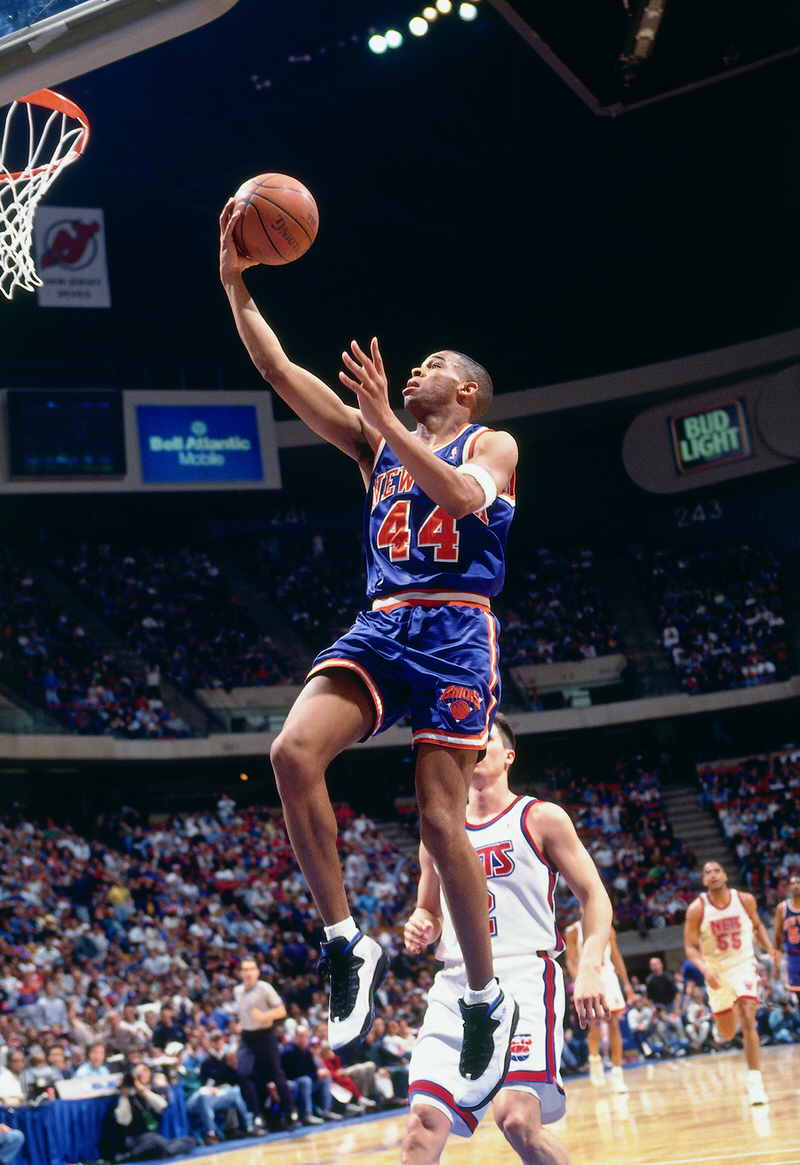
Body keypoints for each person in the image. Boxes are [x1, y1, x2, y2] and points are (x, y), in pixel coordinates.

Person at [220, 200, 519, 1112]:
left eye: (433, 367)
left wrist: (388, 421)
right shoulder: (373, 442)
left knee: (438, 821)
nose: (415, 370)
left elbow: (465, 499)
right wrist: (235, 284)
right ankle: (347, 938)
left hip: (459, 630)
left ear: (463, 392)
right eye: (413, 368)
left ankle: (481, 995)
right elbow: (277, 367)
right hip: (386, 622)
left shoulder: (491, 441)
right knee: (290, 752)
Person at [401, 711, 613, 1165]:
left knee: (516, 1119)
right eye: (468, 743)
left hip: (522, 975)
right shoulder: (437, 828)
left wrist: (590, 966)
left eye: (485, 742)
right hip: (457, 981)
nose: (474, 750)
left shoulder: (540, 817)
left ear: (508, 756)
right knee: (421, 1127)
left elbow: (596, 896)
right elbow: (429, 909)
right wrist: (421, 923)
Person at [684, 859, 777, 1105]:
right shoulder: (697, 909)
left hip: (744, 965)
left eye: (717, 870)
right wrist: (704, 968)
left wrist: (770, 952)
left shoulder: (745, 900)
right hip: (716, 973)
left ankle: (755, 1082)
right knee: (726, 1033)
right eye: (707, 872)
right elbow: (690, 947)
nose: (713, 875)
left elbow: (758, 927)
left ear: (725, 876)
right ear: (704, 881)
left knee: (748, 1014)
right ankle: (730, 1011)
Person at [565, 920, 633, 1093]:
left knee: (614, 1025)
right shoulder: (573, 931)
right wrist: (579, 981)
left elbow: (616, 956)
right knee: (594, 1027)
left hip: (609, 978)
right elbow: (571, 962)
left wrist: (626, 984)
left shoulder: (607, 929)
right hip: (589, 979)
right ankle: (595, 1060)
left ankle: (617, 1073)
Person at [233, 956, 297, 1131]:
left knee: (276, 1074)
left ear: (257, 972)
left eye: (251, 969)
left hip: (265, 1035)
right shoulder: (237, 991)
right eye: (244, 970)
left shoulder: (265, 988)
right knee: (243, 1073)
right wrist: (242, 1024)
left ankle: (291, 1111)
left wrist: (263, 1016)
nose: (248, 973)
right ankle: (257, 1116)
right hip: (247, 1037)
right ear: (240, 973)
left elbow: (282, 1011)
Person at [280, 1026, 338, 1124]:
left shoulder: (307, 1051)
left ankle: (326, 1111)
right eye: (301, 1036)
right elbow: (296, 1072)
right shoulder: (289, 1051)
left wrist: (318, 1070)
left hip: (307, 1081)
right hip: (292, 1083)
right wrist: (316, 1074)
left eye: (306, 1037)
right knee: (305, 1080)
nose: (304, 1039)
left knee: (325, 1078)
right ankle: (307, 1114)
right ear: (296, 1037)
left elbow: (312, 1069)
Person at [773, 872, 800, 1005]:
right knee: (797, 997)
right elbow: (777, 938)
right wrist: (775, 964)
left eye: (798, 883)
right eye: (793, 883)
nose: (796, 886)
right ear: (789, 887)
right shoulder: (782, 908)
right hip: (793, 957)